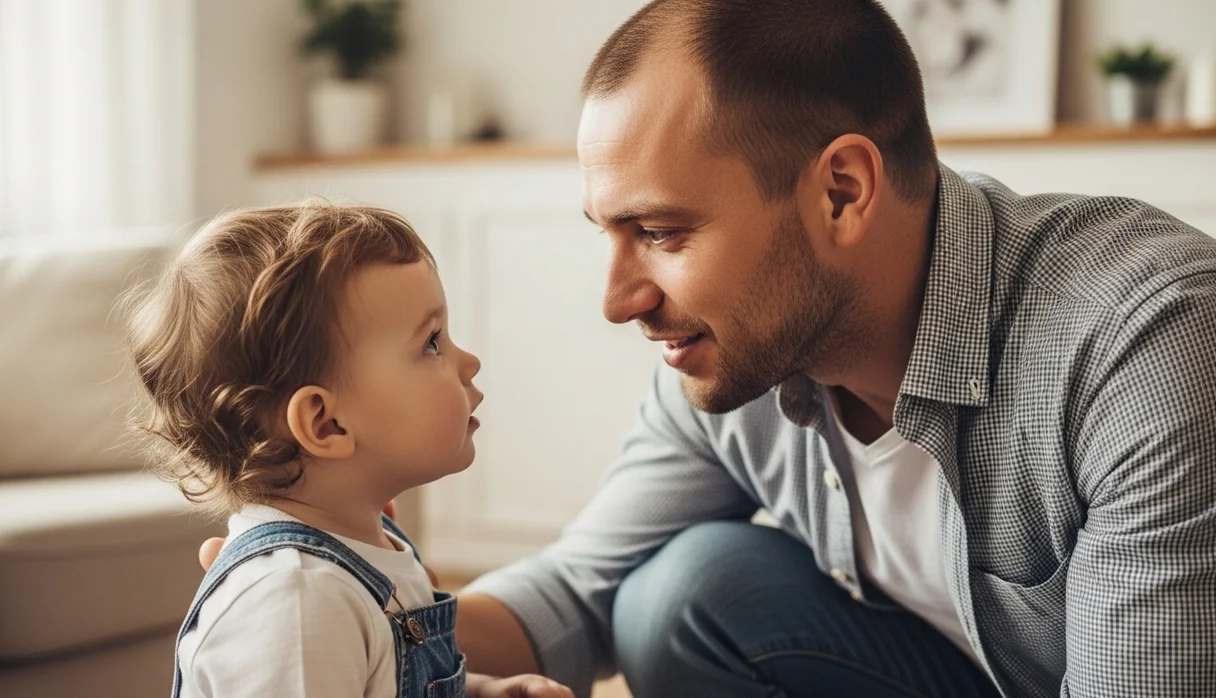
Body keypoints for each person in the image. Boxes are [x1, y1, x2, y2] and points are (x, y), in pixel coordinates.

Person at [201, 2, 1216, 696]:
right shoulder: (728, 367)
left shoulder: (1142, 336)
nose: (617, 298)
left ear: (841, 191)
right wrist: (338, 595)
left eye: (663, 232)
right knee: (684, 588)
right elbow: (577, 590)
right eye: (607, 231)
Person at [127, 204, 572, 698]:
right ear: (326, 423)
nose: (468, 361)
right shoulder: (296, 598)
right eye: (431, 342)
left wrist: (482, 690)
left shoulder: (367, 549)